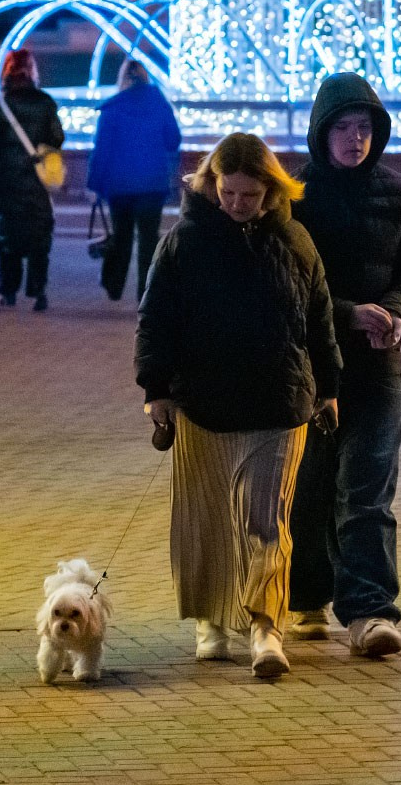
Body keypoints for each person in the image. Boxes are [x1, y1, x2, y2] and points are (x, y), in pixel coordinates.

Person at [136, 133, 340, 679]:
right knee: (206, 520)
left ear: (271, 191)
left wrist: (329, 385)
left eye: (249, 195)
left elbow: (317, 317)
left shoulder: (295, 241)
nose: (237, 204)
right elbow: (155, 318)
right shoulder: (184, 242)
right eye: (228, 192)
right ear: (211, 184)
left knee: (267, 523)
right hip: (202, 402)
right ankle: (211, 618)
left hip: (280, 401)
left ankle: (265, 626)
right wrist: (156, 389)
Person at [286, 74, 401, 659]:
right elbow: (286, 285)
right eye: (345, 128)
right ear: (323, 132)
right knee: (312, 488)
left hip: (378, 369)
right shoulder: (293, 197)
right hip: (310, 373)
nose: (356, 139)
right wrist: (349, 314)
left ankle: (371, 611)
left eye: (366, 128)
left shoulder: (400, 196)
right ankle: (306, 598)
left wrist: (399, 311)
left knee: (368, 490)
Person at [87, 58, 182, 302]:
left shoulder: (113, 108)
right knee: (149, 239)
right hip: (152, 183)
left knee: (122, 236)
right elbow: (174, 140)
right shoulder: (159, 104)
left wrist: (94, 184)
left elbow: (102, 150)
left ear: (122, 79)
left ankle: (114, 286)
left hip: (119, 185)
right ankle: (146, 292)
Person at [0, 48, 65, 311]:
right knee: (40, 235)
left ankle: (8, 290)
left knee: (8, 235)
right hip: (37, 181)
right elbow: (57, 138)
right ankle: (38, 291)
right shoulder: (46, 102)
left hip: (6, 180)